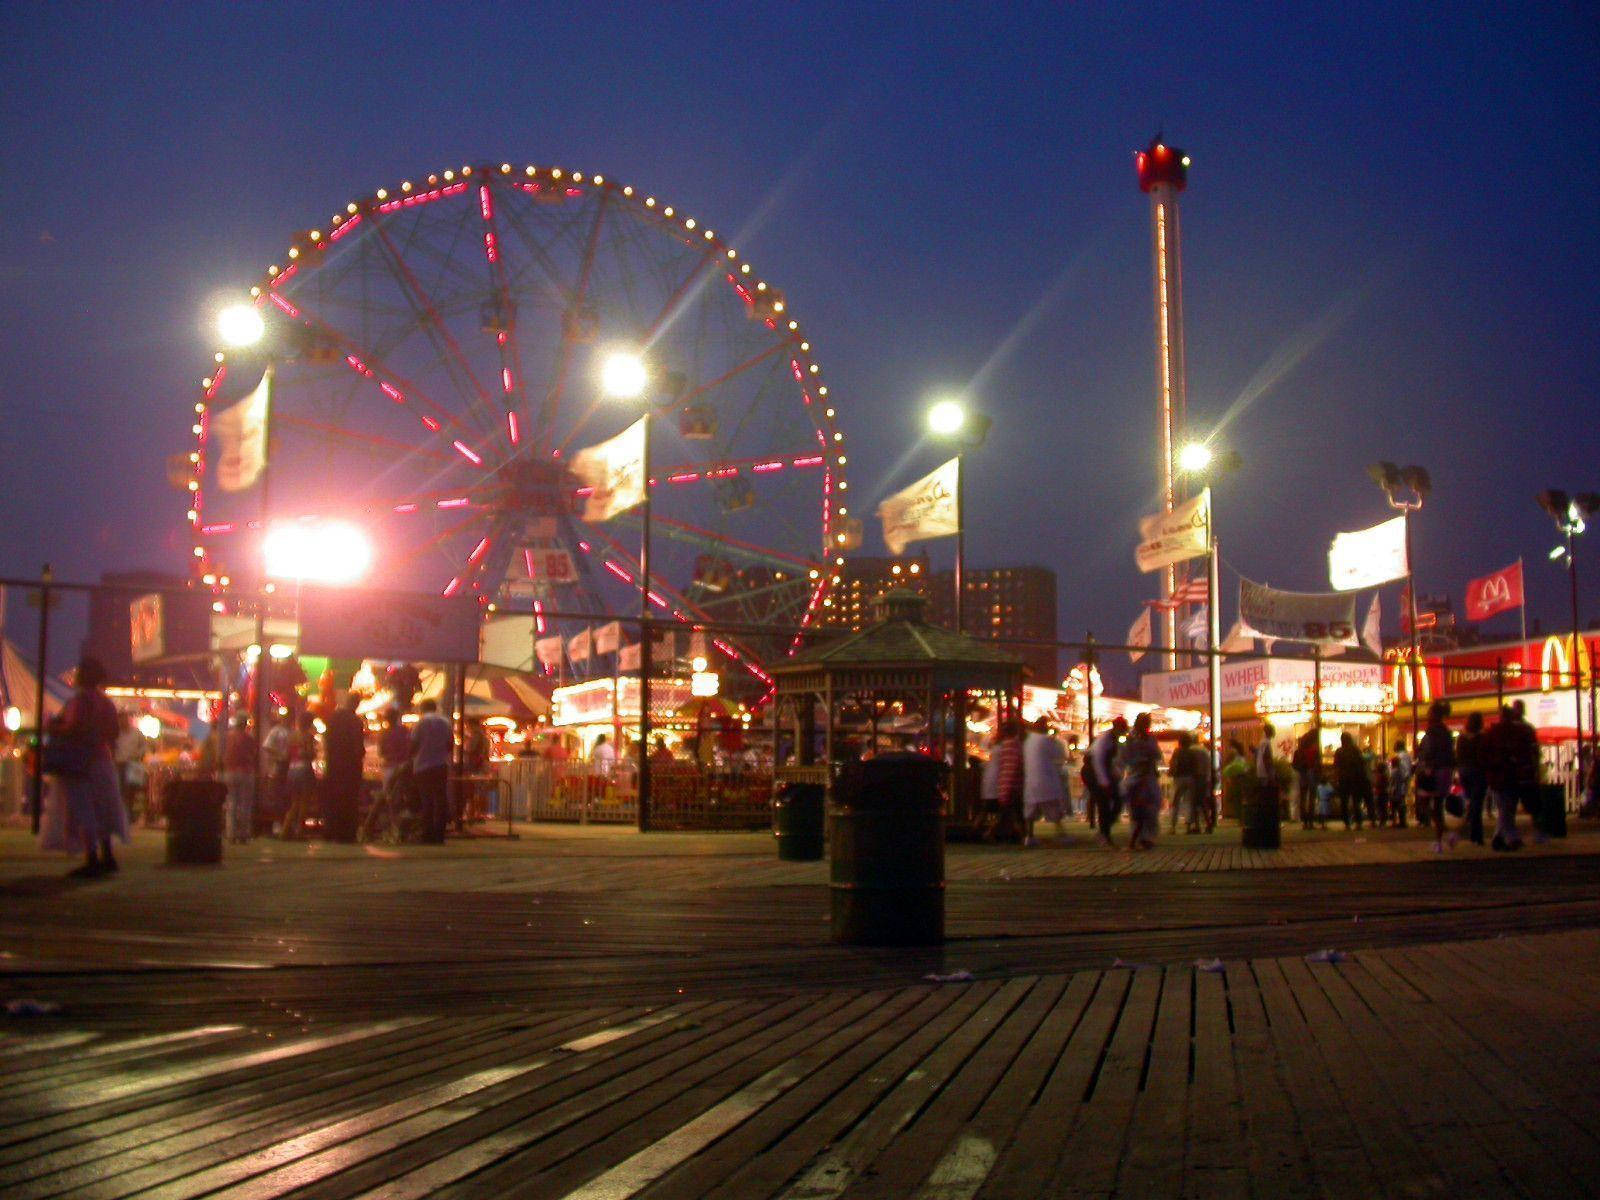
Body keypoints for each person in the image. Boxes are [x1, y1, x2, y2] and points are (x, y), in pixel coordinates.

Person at [43, 657, 128, 878]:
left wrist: (52, 726)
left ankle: (91, 858)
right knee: (104, 807)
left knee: (83, 809)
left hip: (79, 761)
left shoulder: (78, 702)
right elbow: (114, 732)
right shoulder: (106, 703)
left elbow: (71, 727)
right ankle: (107, 855)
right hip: (102, 759)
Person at [322, 692, 366, 843]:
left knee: (333, 799)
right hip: (349, 768)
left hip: (333, 765)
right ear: (356, 704)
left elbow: (326, 739)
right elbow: (357, 747)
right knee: (349, 801)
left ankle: (331, 831)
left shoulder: (334, 718)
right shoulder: (355, 721)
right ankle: (346, 833)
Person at [1117, 712, 1163, 850]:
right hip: (1137, 777)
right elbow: (1125, 758)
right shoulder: (1131, 739)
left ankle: (1145, 838)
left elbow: (1157, 755)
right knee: (1139, 809)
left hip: (1147, 777)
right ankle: (1139, 838)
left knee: (1149, 809)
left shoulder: (1149, 738)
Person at [411, 698, 454, 844]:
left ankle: (427, 834)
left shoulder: (421, 723)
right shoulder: (445, 722)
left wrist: (411, 758)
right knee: (440, 800)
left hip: (423, 766)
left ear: (422, 709)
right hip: (440, 765)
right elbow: (450, 744)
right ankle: (439, 835)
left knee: (426, 801)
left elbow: (414, 744)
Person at [1415, 702, 1456, 852]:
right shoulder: (1446, 732)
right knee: (1437, 806)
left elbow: (1427, 753)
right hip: (1445, 771)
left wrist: (1422, 760)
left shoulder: (1432, 732)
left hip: (1432, 772)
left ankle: (1442, 838)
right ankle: (1443, 838)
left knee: (1427, 804)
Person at [1021, 717, 1067, 845]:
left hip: (1032, 780)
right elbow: (1059, 755)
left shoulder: (1028, 741)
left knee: (1030, 810)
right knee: (1053, 808)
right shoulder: (1047, 741)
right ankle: (1061, 834)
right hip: (1046, 779)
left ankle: (1029, 836)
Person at [1484, 705, 1522, 851]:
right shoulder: (1514, 732)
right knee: (1507, 807)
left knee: (1506, 807)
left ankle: (1499, 837)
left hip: (1500, 775)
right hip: (1506, 774)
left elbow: (1484, 754)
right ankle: (1511, 837)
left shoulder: (1493, 732)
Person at [1086, 717, 1128, 847]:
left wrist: (1115, 775)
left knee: (1117, 801)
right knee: (1104, 803)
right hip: (1092, 771)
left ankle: (1104, 831)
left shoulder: (1114, 739)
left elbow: (1112, 761)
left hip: (1103, 771)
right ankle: (1105, 834)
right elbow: (1098, 761)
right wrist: (1104, 782)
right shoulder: (1105, 740)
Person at [1509, 699, 1545, 842]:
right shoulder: (1527, 728)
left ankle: (1514, 834)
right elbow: (1534, 750)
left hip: (1516, 771)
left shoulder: (1511, 729)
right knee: (1531, 803)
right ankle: (1537, 832)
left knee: (1514, 803)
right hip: (1524, 770)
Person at [221, 713, 257, 844]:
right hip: (245, 772)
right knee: (245, 804)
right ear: (245, 724)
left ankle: (231, 833)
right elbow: (253, 755)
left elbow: (223, 755)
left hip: (230, 772)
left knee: (231, 804)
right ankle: (243, 833)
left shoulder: (227, 737)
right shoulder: (249, 738)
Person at [1168, 731, 1213, 833]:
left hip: (1179, 778)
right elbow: (1197, 766)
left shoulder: (1177, 751)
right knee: (1190, 802)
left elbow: (1173, 764)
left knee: (1176, 802)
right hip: (1192, 778)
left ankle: (1173, 827)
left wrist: (1171, 772)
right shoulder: (1196, 751)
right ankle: (1189, 826)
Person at [1456, 711, 1488, 846]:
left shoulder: (1462, 738)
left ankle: (1473, 831)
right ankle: (1477, 834)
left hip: (1465, 771)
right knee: (1477, 803)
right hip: (1478, 771)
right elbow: (1485, 755)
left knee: (1472, 801)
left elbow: (1458, 756)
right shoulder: (1483, 738)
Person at [990, 718, 1025, 844]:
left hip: (1004, 782)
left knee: (1008, 812)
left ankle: (1009, 834)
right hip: (1012, 783)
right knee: (1014, 812)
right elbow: (1016, 764)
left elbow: (1004, 765)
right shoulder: (1015, 745)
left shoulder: (1003, 745)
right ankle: (1019, 835)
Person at [1333, 732, 1372, 831]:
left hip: (1344, 779)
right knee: (1356, 801)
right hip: (1355, 779)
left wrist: (1336, 778)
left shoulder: (1339, 751)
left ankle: (1347, 823)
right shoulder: (1355, 750)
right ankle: (1358, 822)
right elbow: (1361, 763)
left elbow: (1336, 766)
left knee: (1344, 802)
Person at [1292, 727, 1320, 831]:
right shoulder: (1314, 750)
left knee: (1303, 798)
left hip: (1303, 774)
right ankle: (1310, 822)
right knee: (1311, 798)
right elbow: (1316, 764)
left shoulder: (1299, 751)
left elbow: (1294, 765)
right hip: (1311, 774)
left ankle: (1305, 822)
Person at [1388, 739, 1413, 828]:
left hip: (1399, 783)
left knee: (1398, 803)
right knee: (1401, 801)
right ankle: (1402, 820)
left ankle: (1401, 821)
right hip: (1404, 781)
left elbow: (1403, 770)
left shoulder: (1399, 757)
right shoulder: (1407, 756)